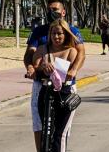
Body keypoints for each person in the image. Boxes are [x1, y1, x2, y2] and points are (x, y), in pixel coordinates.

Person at [23, 0, 85, 151]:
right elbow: (30, 56)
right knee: (39, 124)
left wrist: (73, 70)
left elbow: (81, 54)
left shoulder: (72, 31)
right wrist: (31, 67)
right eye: (49, 9)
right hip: (42, 85)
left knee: (61, 131)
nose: (52, 12)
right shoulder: (39, 32)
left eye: (56, 9)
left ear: (63, 12)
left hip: (65, 87)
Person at [33, 20, 79, 152]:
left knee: (60, 133)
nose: (56, 37)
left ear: (65, 34)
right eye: (53, 33)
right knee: (46, 132)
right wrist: (41, 67)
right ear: (49, 34)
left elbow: (66, 74)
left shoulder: (71, 51)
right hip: (46, 93)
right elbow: (34, 66)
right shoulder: (43, 49)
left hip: (64, 93)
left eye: (60, 33)